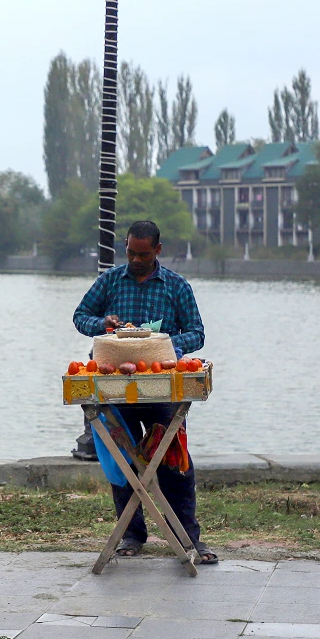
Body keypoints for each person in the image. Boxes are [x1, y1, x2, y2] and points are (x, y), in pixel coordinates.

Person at [72, 220, 216, 565]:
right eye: (131, 253)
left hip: (160, 387)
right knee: (122, 462)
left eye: (144, 253)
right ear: (125, 247)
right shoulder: (109, 281)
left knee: (173, 460)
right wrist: (103, 325)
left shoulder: (176, 286)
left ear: (158, 250)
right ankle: (132, 534)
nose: (136, 259)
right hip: (113, 387)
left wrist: (162, 344)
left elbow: (196, 333)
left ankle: (187, 537)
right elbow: (81, 316)